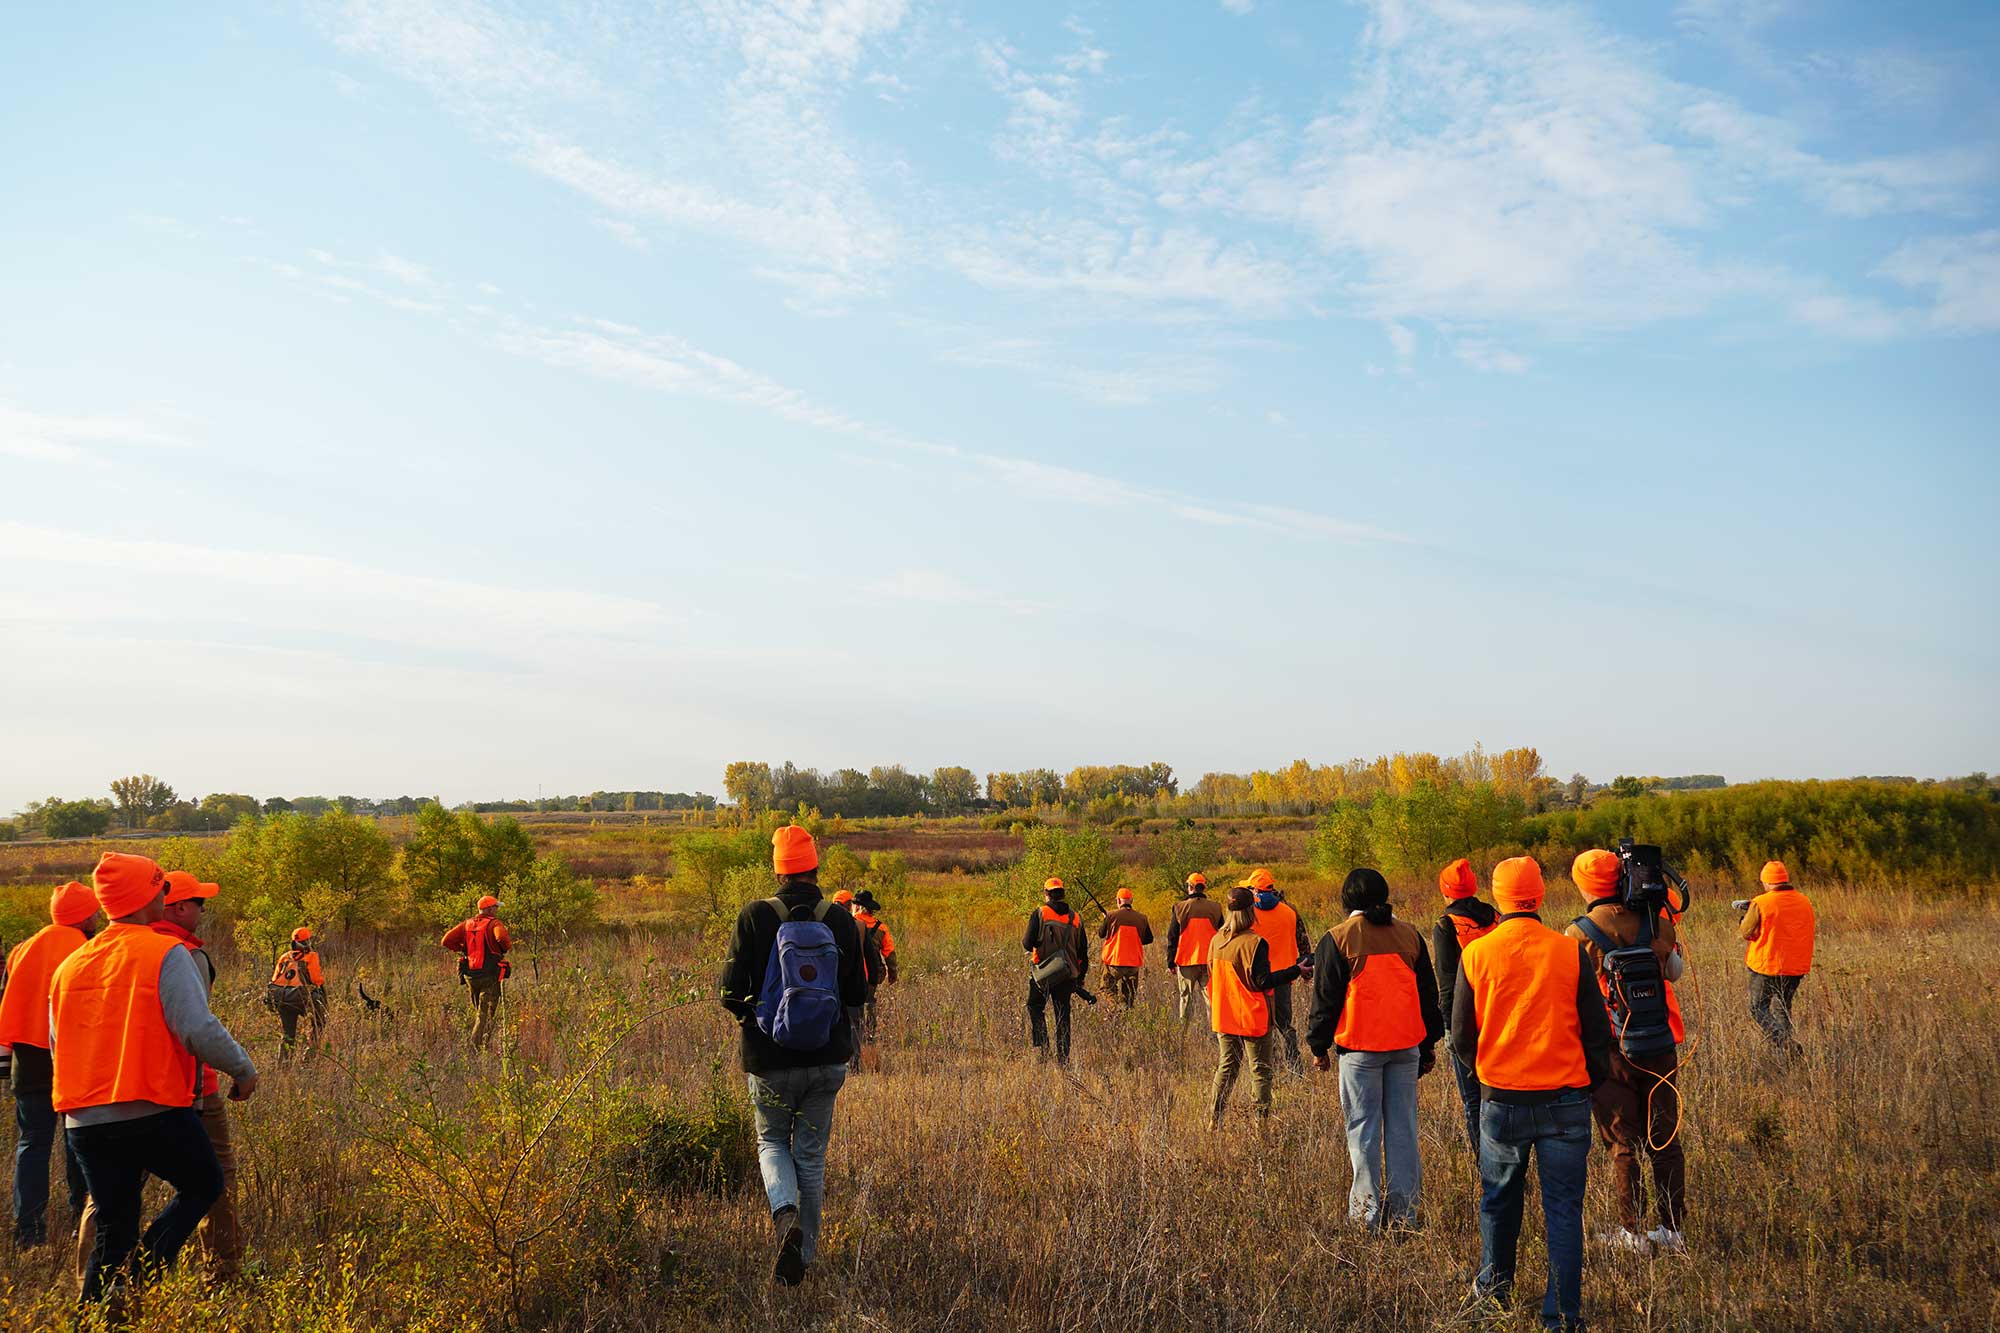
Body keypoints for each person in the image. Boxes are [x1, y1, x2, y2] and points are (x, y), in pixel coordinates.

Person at [51, 853, 257, 1305]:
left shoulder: (71, 964)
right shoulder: (165, 952)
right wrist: (242, 1069)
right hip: (150, 1107)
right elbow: (197, 1027)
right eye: (161, 888)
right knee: (204, 1184)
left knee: (113, 1221)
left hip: (83, 1119)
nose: (166, 896)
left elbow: (57, 1041)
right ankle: (146, 1270)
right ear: (148, 895)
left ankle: (95, 1314)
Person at [1452, 856, 1612, 1332]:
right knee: (1564, 1209)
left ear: (1498, 898)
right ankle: (1562, 1316)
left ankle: (1494, 1295)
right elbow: (1597, 1032)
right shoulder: (1568, 952)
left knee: (1499, 1200)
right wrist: (1589, 1083)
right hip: (1566, 1100)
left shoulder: (1476, 953)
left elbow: (1461, 1035)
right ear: (1540, 896)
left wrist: (1485, 1075)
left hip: (1501, 1100)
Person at [718, 825, 867, 1286]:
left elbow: (728, 993)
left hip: (769, 1062)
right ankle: (804, 1259)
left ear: (777, 869)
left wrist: (754, 1023)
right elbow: (857, 993)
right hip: (827, 1063)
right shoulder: (841, 920)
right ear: (815, 867)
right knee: (811, 1158)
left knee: (771, 1143)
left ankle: (786, 1219)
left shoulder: (754, 915)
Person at [1564, 849, 1688, 1256]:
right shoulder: (1658, 921)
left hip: (1612, 1050)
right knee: (1664, 1137)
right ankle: (1672, 1231)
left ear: (1582, 885)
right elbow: (1675, 973)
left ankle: (1632, 1232)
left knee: (1623, 1141)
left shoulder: (1578, 934)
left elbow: (1572, 995)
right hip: (1661, 1043)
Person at [1306, 868, 1444, 1230]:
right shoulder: (1410, 935)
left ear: (1347, 900)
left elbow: (1326, 1000)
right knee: (1404, 1132)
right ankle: (1404, 1216)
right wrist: (1428, 1045)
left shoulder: (1338, 939)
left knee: (1363, 1132)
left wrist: (1318, 1045)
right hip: (1406, 1047)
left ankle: (1366, 1216)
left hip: (1360, 1050)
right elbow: (1429, 998)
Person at [0, 880, 99, 1248]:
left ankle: (28, 1231)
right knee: (79, 1140)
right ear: (82, 916)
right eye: (93, 911)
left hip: (28, 1058)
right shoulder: (88, 948)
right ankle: (81, 1219)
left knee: (32, 1143)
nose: (97, 916)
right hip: (74, 1057)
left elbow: (7, 999)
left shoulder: (23, 948)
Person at [1208, 886, 1302, 1127]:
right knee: (1260, 1071)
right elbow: (1264, 981)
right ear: (1251, 910)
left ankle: (1213, 1121)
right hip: (1252, 1017)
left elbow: (1212, 976)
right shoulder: (1255, 943)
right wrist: (1296, 971)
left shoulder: (1216, 940)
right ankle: (1261, 1127)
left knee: (1226, 1068)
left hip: (1225, 1016)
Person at [1431, 857, 1499, 1154]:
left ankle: (1486, 1167)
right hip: (1502, 1016)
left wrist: (1447, 1026)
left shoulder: (1446, 925)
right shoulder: (1496, 917)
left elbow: (1446, 981)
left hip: (1468, 1021)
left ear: (1446, 892)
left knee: (1473, 1101)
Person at [1738, 861, 1815, 1052]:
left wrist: (1745, 916)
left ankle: (1784, 1043)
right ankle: (1786, 1056)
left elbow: (1746, 932)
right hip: (1795, 967)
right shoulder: (1804, 901)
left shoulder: (1761, 902)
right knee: (1783, 1006)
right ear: (1785, 880)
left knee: (1758, 1008)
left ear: (1766, 881)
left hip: (1768, 966)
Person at [1248, 869, 1314, 1073]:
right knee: (1285, 1024)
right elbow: (1303, 942)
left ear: (1255, 890)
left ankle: (1269, 1066)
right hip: (1285, 975)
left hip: (1257, 978)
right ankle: (1295, 1068)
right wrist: (1307, 970)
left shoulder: (1248, 913)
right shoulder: (1289, 910)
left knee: (1262, 1025)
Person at [1022, 878, 1087, 1065]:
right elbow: (1083, 952)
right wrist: (1080, 978)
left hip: (1043, 973)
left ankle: (1043, 1049)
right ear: (1063, 893)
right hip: (1067, 974)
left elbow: (1028, 943)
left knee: (1035, 1007)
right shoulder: (1076, 918)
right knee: (1062, 1015)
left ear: (1046, 893)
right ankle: (1063, 1059)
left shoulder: (1040, 913)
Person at [440, 896, 511, 1052]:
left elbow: (446, 940)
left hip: (471, 976)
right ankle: (475, 1048)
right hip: (489, 976)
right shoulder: (494, 923)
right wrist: (503, 949)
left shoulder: (467, 924)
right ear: (490, 909)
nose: (497, 910)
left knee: (479, 1011)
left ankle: (482, 1042)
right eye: (496, 907)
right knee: (485, 1014)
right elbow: (502, 938)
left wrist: (463, 949)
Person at [832, 890, 886, 1073]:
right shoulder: (859, 926)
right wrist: (871, 981)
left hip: (829, 985)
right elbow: (871, 958)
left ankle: (834, 1063)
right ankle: (854, 1065)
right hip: (855, 983)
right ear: (849, 905)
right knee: (856, 1025)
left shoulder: (821, 923)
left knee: (833, 1023)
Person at [1166, 873, 1225, 1024]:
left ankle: (1182, 1036)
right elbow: (1223, 934)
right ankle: (1216, 1034)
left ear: (1190, 887)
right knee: (1211, 1000)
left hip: (1186, 960)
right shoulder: (1216, 907)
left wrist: (1170, 962)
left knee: (1186, 999)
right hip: (1210, 961)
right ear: (1203, 887)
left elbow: (1172, 936)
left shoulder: (1180, 907)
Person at [267, 927, 327, 1059]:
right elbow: (316, 980)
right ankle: (309, 1056)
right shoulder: (311, 956)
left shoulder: (284, 957)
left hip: (282, 998)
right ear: (307, 941)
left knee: (288, 1034)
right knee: (320, 1022)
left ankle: (284, 1064)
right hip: (301, 999)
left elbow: (274, 979)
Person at [1096, 888, 1154, 1006]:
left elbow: (1101, 934)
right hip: (1133, 963)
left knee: (1107, 988)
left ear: (1118, 900)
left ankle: (1115, 1012)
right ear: (1131, 901)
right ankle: (1126, 1017)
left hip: (1114, 962)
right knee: (1129, 996)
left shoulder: (1111, 915)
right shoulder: (1142, 918)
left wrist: (1105, 919)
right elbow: (1149, 939)